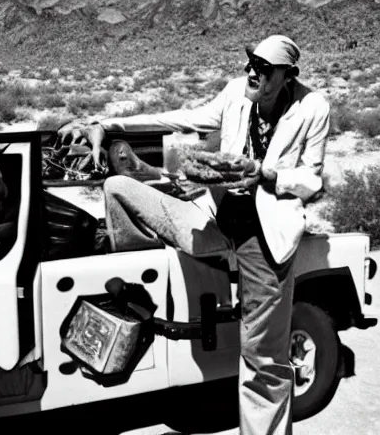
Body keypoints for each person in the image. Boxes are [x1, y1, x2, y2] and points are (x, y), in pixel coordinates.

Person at [58, 34, 330, 434]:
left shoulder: (313, 107)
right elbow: (183, 118)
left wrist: (266, 175)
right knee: (118, 188)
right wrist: (104, 123)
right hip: (213, 219)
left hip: (264, 236)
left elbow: (312, 179)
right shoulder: (238, 93)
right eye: (250, 62)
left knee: (263, 358)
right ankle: (139, 298)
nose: (251, 72)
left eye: (264, 68)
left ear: (288, 75)